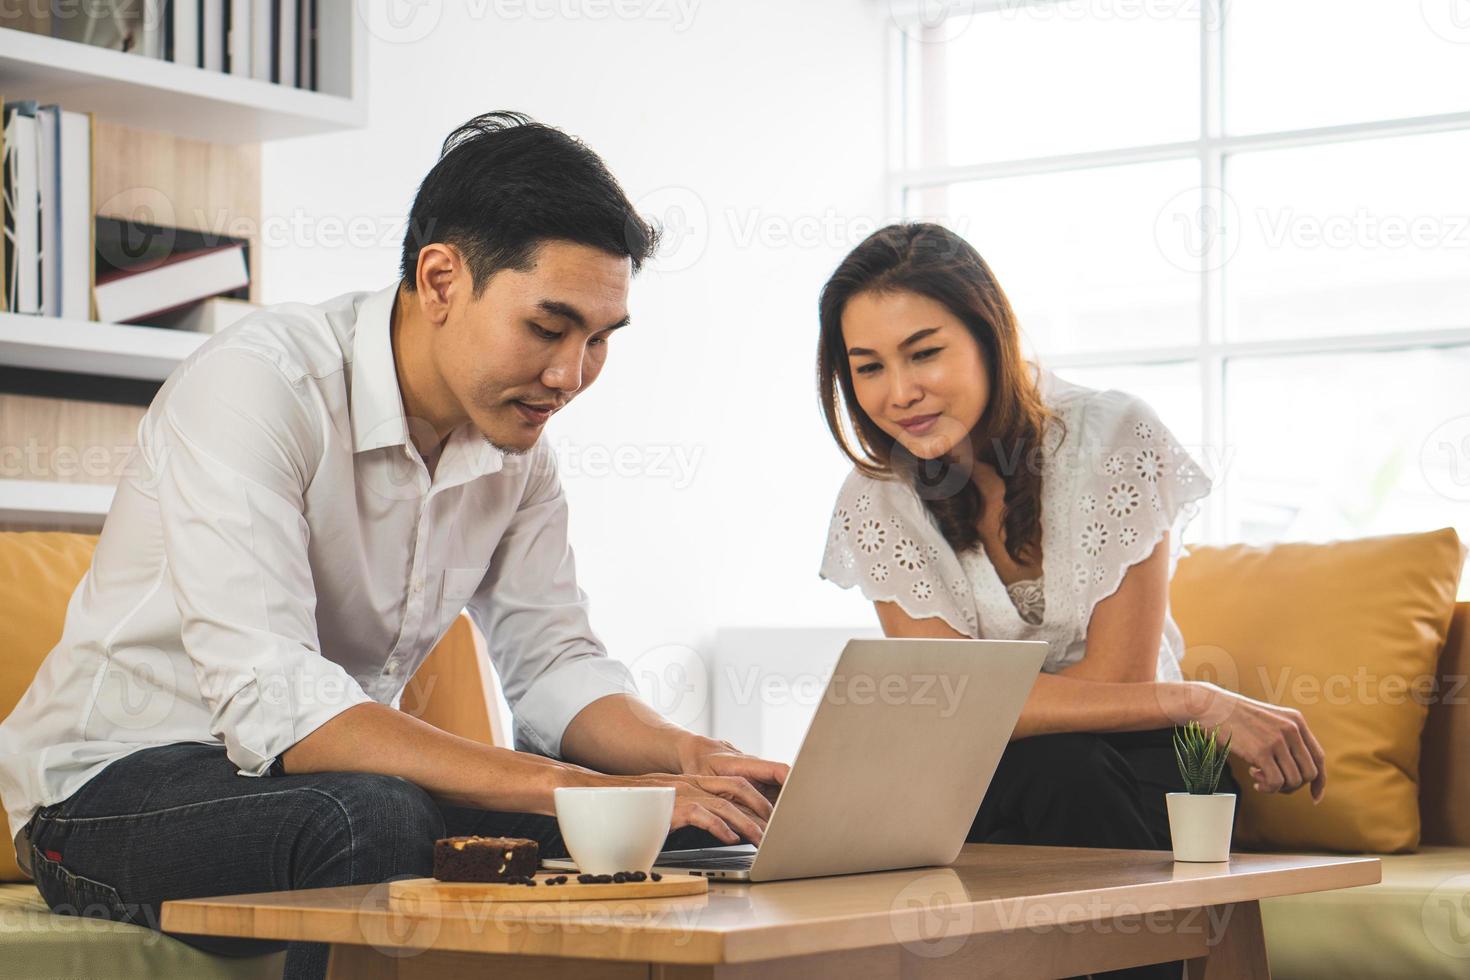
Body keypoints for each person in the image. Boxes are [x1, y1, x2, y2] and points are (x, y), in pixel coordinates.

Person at [0, 112, 787, 980]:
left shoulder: (516, 449)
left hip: (314, 788)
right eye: (548, 327)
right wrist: (586, 791)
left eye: (599, 340)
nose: (570, 375)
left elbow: (556, 662)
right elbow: (278, 702)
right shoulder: (260, 383)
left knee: (678, 833)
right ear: (441, 278)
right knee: (371, 819)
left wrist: (693, 762)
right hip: (109, 797)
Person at [815, 223, 1326, 980]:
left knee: (1061, 769)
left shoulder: (1113, 433)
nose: (900, 393)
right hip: (998, 771)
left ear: (991, 336)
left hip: (1149, 760)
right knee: (978, 790)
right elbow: (953, 707)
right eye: (868, 368)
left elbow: (1117, 681)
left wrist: (1172, 709)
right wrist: (1199, 698)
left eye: (925, 353)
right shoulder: (876, 498)